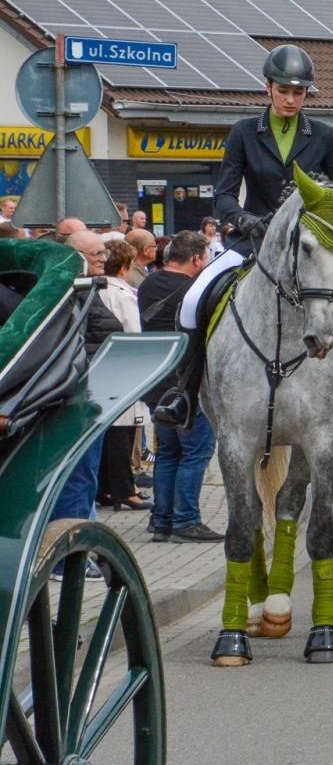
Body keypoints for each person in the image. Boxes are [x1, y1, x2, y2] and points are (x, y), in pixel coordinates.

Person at [153, 44, 333, 448]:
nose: (290, 98)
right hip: (253, 240)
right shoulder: (244, 133)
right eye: (283, 90)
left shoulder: (320, 136)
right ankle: (182, 394)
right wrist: (244, 218)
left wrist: (327, 213)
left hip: (308, 248)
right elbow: (224, 194)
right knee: (196, 297)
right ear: (268, 88)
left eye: (298, 93)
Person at [138, 231, 222, 543]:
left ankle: (161, 522)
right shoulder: (195, 291)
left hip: (157, 381)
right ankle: (186, 520)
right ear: (197, 258)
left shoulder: (149, 282)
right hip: (188, 385)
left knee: (168, 454)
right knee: (196, 453)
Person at [48, 232, 125, 566]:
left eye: (104, 252)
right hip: (77, 396)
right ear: (75, 253)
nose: (103, 258)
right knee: (77, 480)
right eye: (96, 253)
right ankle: (69, 561)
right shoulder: (69, 289)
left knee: (85, 479)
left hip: (91, 394)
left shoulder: (88, 287)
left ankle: (78, 553)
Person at [96, 241, 151, 511]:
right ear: (124, 267)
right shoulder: (123, 295)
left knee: (108, 435)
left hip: (102, 371)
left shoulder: (96, 289)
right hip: (124, 371)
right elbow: (134, 333)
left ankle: (105, 488)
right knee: (123, 434)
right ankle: (124, 490)